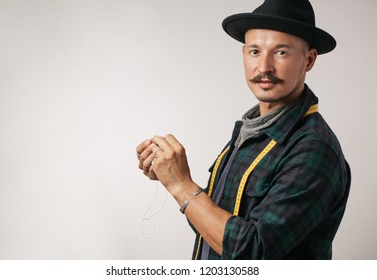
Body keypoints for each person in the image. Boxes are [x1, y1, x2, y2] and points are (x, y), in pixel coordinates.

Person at [136, 0, 351, 260]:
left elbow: (252, 251)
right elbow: (217, 227)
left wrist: (182, 185)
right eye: (255, 51)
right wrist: (171, 176)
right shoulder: (250, 131)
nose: (264, 67)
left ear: (309, 59)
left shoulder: (314, 148)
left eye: (281, 52)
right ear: (243, 54)